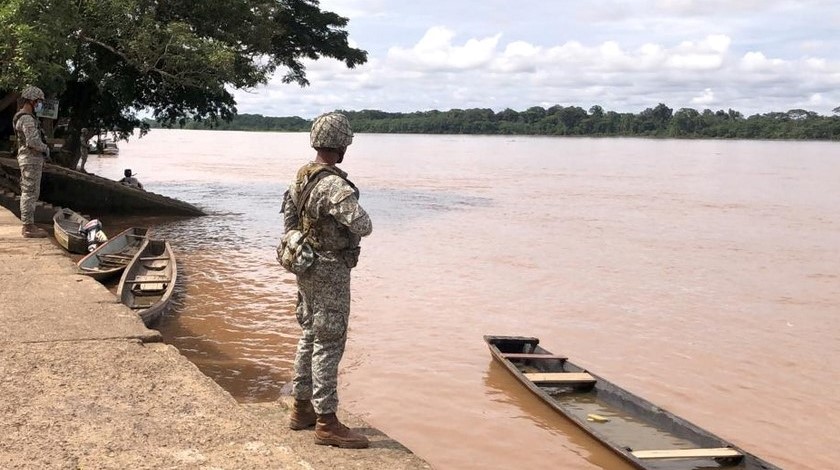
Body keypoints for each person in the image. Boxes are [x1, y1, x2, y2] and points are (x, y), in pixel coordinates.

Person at [281, 112, 373, 449]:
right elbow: (363, 225)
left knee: (309, 336)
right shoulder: (333, 183)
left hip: (305, 266)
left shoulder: (301, 177)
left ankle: (301, 408)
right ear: (343, 146)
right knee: (329, 342)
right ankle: (327, 422)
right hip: (330, 271)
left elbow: (289, 224)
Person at [13, 85, 49, 238]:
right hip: (30, 159)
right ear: (33, 101)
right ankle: (28, 227)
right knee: (29, 192)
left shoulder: (25, 117)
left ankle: (29, 224)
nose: (39, 105)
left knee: (31, 192)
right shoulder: (26, 118)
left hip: (30, 159)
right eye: (39, 101)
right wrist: (45, 148)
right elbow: (33, 141)